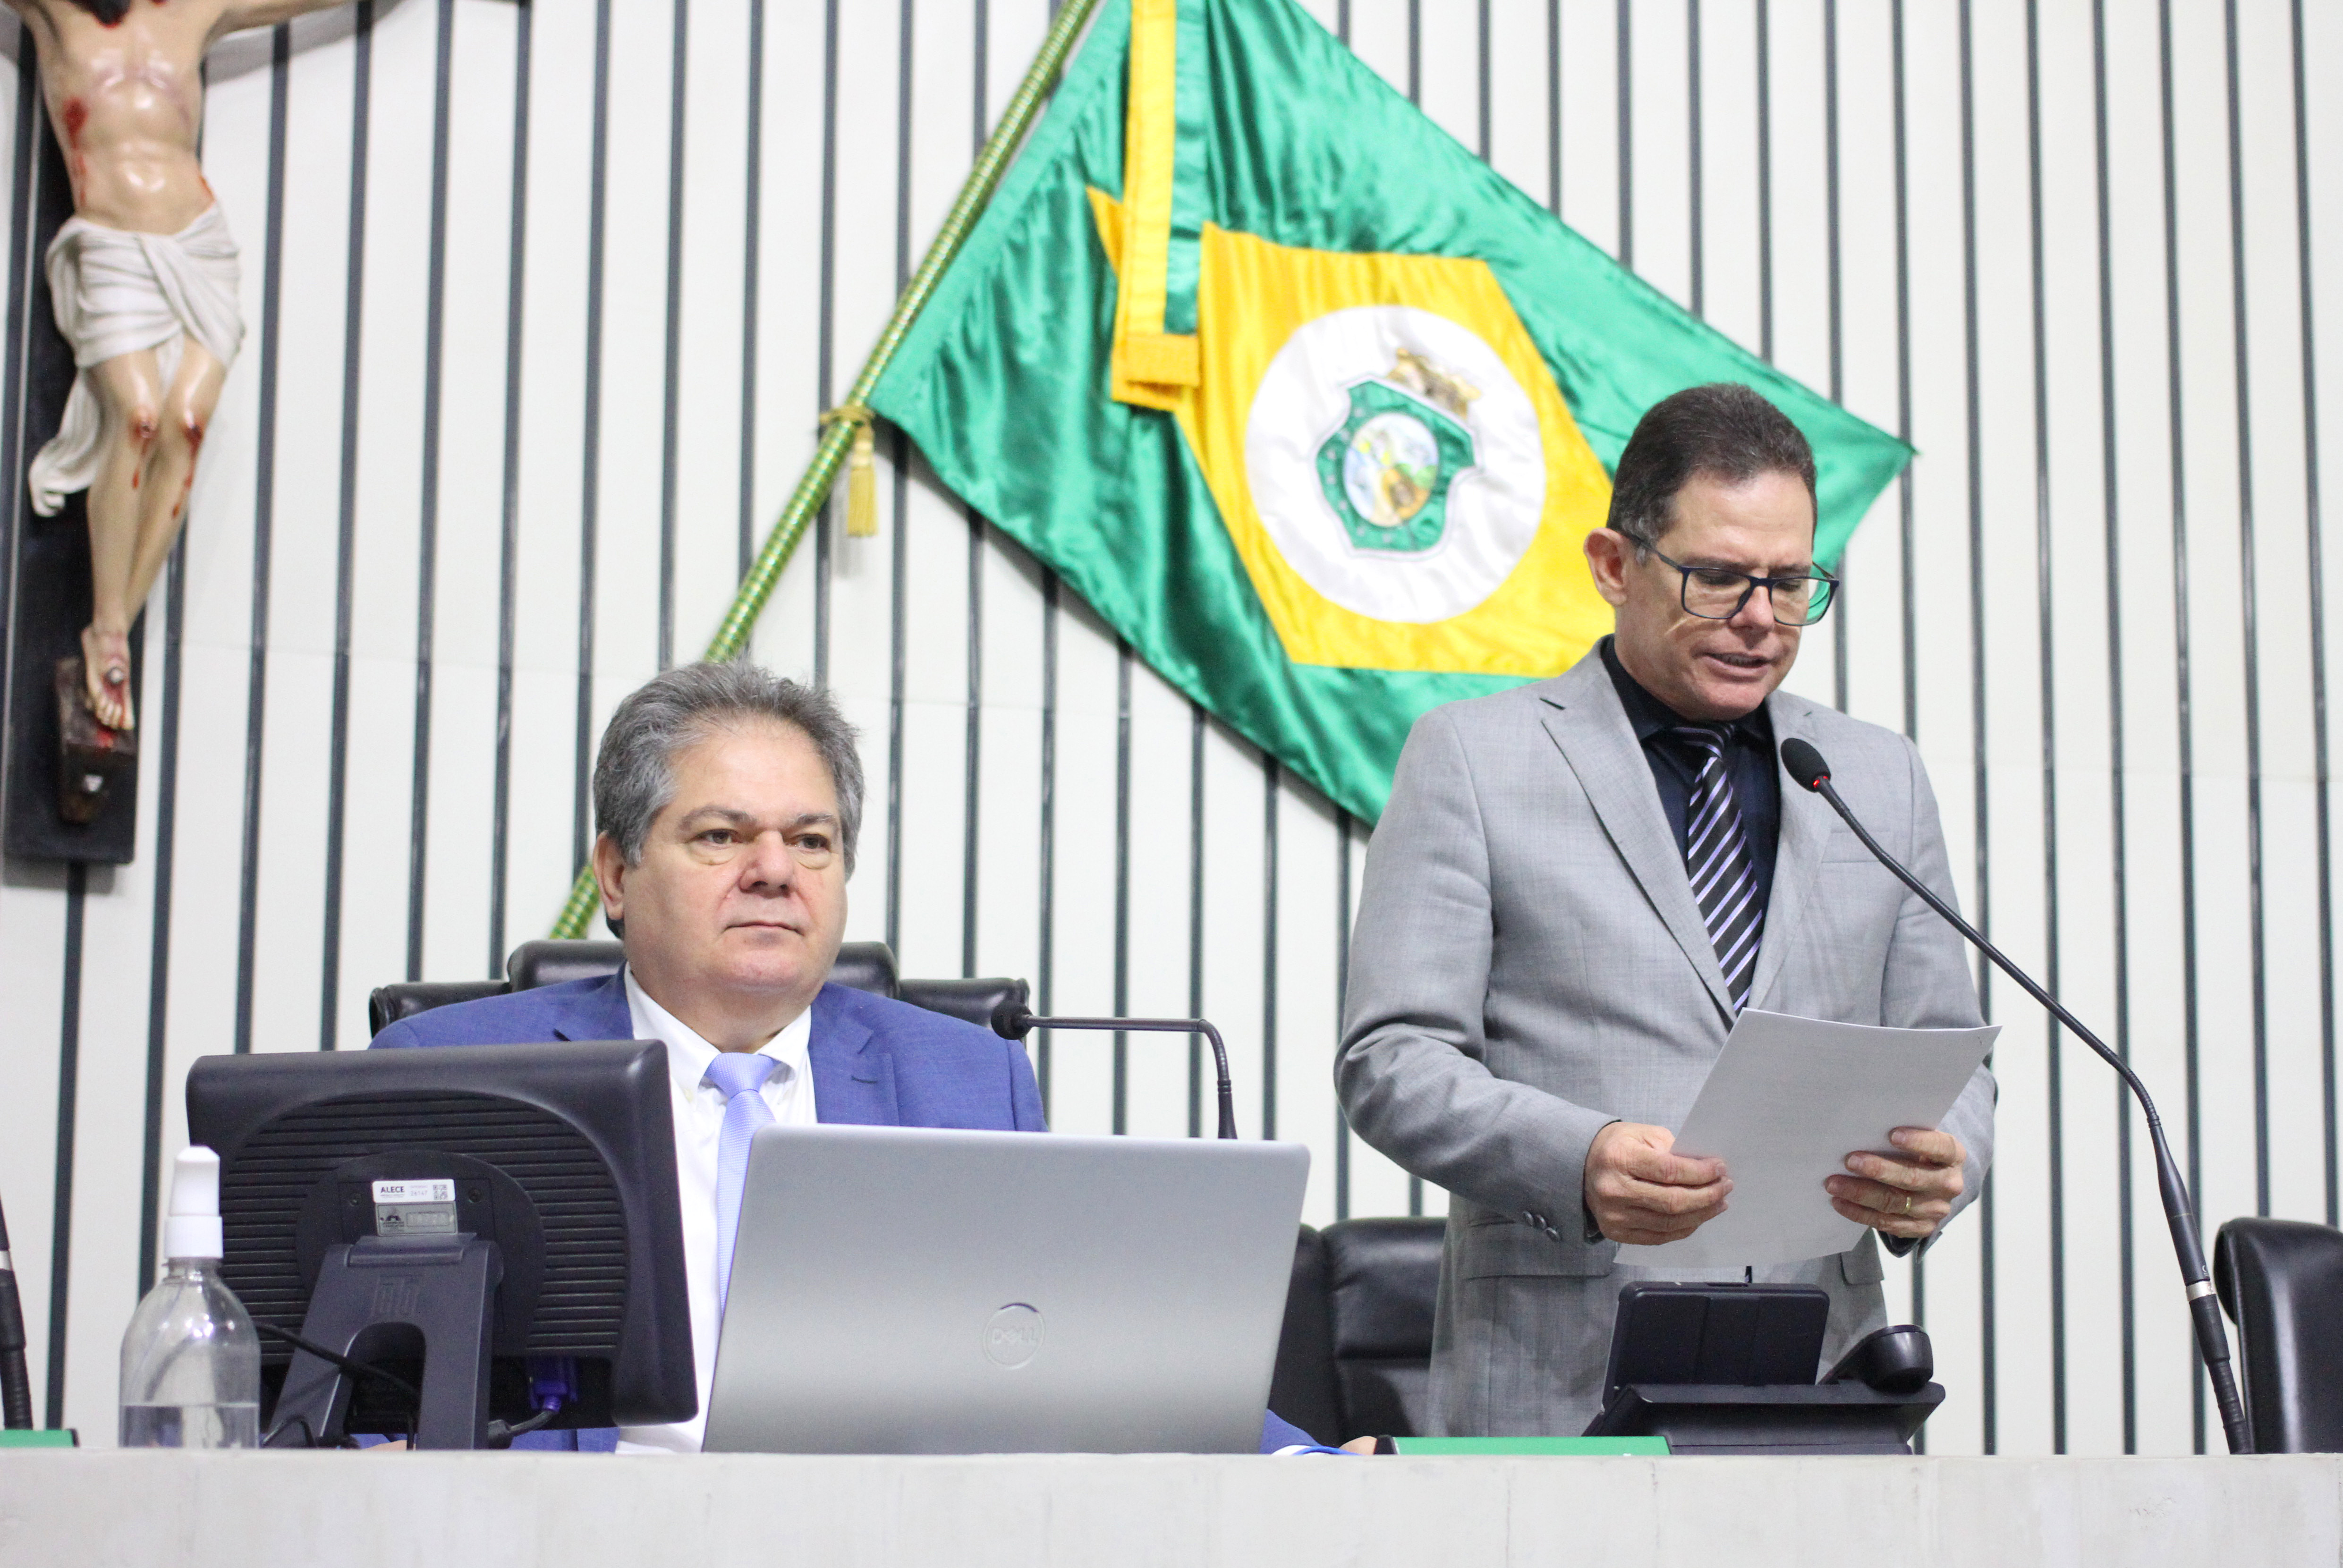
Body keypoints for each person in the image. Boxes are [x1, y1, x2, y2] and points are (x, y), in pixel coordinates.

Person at [374, 662, 1330, 1453]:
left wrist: (1299, 1463)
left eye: (811, 839)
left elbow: (1086, 1355)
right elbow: (362, 1392)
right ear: (617, 875)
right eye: (722, 835)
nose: (776, 870)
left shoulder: (962, 1080)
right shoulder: (455, 1070)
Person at [1335, 383, 1997, 1439]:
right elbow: (1394, 1060)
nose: (1759, 621)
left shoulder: (1875, 776)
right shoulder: (1474, 759)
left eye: (1790, 585)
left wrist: (1942, 1170)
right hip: (1559, 1379)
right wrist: (1582, 1158)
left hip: (1820, 1379)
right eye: (1720, 578)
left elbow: (1947, 1059)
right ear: (1614, 565)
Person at [5, 0, 352, 730]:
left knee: (185, 426)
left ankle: (113, 636)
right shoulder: (56, 18)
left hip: (197, 245)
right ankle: (106, 625)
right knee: (135, 417)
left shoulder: (194, 14)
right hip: (111, 247)